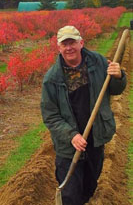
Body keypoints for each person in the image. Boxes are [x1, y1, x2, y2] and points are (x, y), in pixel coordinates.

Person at [40, 25, 127, 205]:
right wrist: (72, 135)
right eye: (65, 44)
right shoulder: (52, 79)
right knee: (70, 194)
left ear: (81, 43)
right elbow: (51, 116)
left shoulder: (99, 62)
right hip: (68, 146)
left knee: (89, 186)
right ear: (59, 48)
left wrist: (119, 76)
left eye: (72, 42)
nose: (69, 47)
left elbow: (115, 90)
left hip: (95, 138)